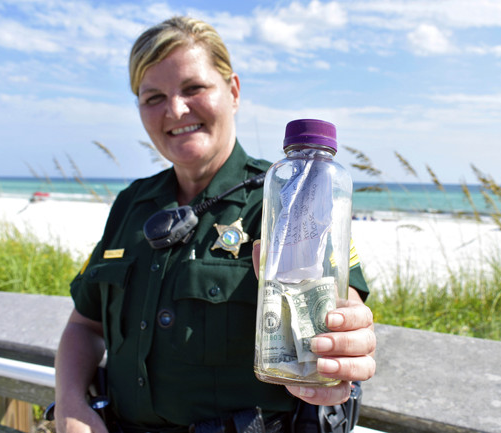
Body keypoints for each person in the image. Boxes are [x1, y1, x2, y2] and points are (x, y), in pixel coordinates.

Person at [54, 16, 376, 433]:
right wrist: (70, 404)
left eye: (193, 88)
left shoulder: (289, 199)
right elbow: (85, 325)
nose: (175, 109)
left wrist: (343, 344)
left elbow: (343, 306)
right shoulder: (131, 204)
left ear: (233, 91)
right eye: (153, 97)